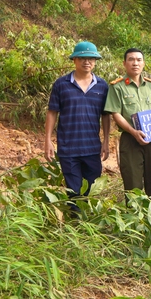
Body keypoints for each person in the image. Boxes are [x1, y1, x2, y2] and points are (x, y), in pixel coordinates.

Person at [44, 41, 110, 211]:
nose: (87, 61)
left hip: (92, 147)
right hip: (69, 148)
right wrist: (48, 141)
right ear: (74, 60)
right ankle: (76, 224)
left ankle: (88, 221)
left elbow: (106, 115)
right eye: (82, 58)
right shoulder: (61, 84)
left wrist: (106, 141)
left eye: (91, 58)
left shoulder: (102, 86)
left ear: (95, 61)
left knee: (92, 187)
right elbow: (52, 112)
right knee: (73, 190)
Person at [104, 48, 151, 197]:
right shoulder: (117, 87)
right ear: (124, 63)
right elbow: (116, 113)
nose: (135, 63)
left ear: (143, 63)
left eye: (138, 60)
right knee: (132, 184)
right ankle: (135, 217)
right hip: (130, 139)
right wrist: (133, 131)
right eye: (131, 59)